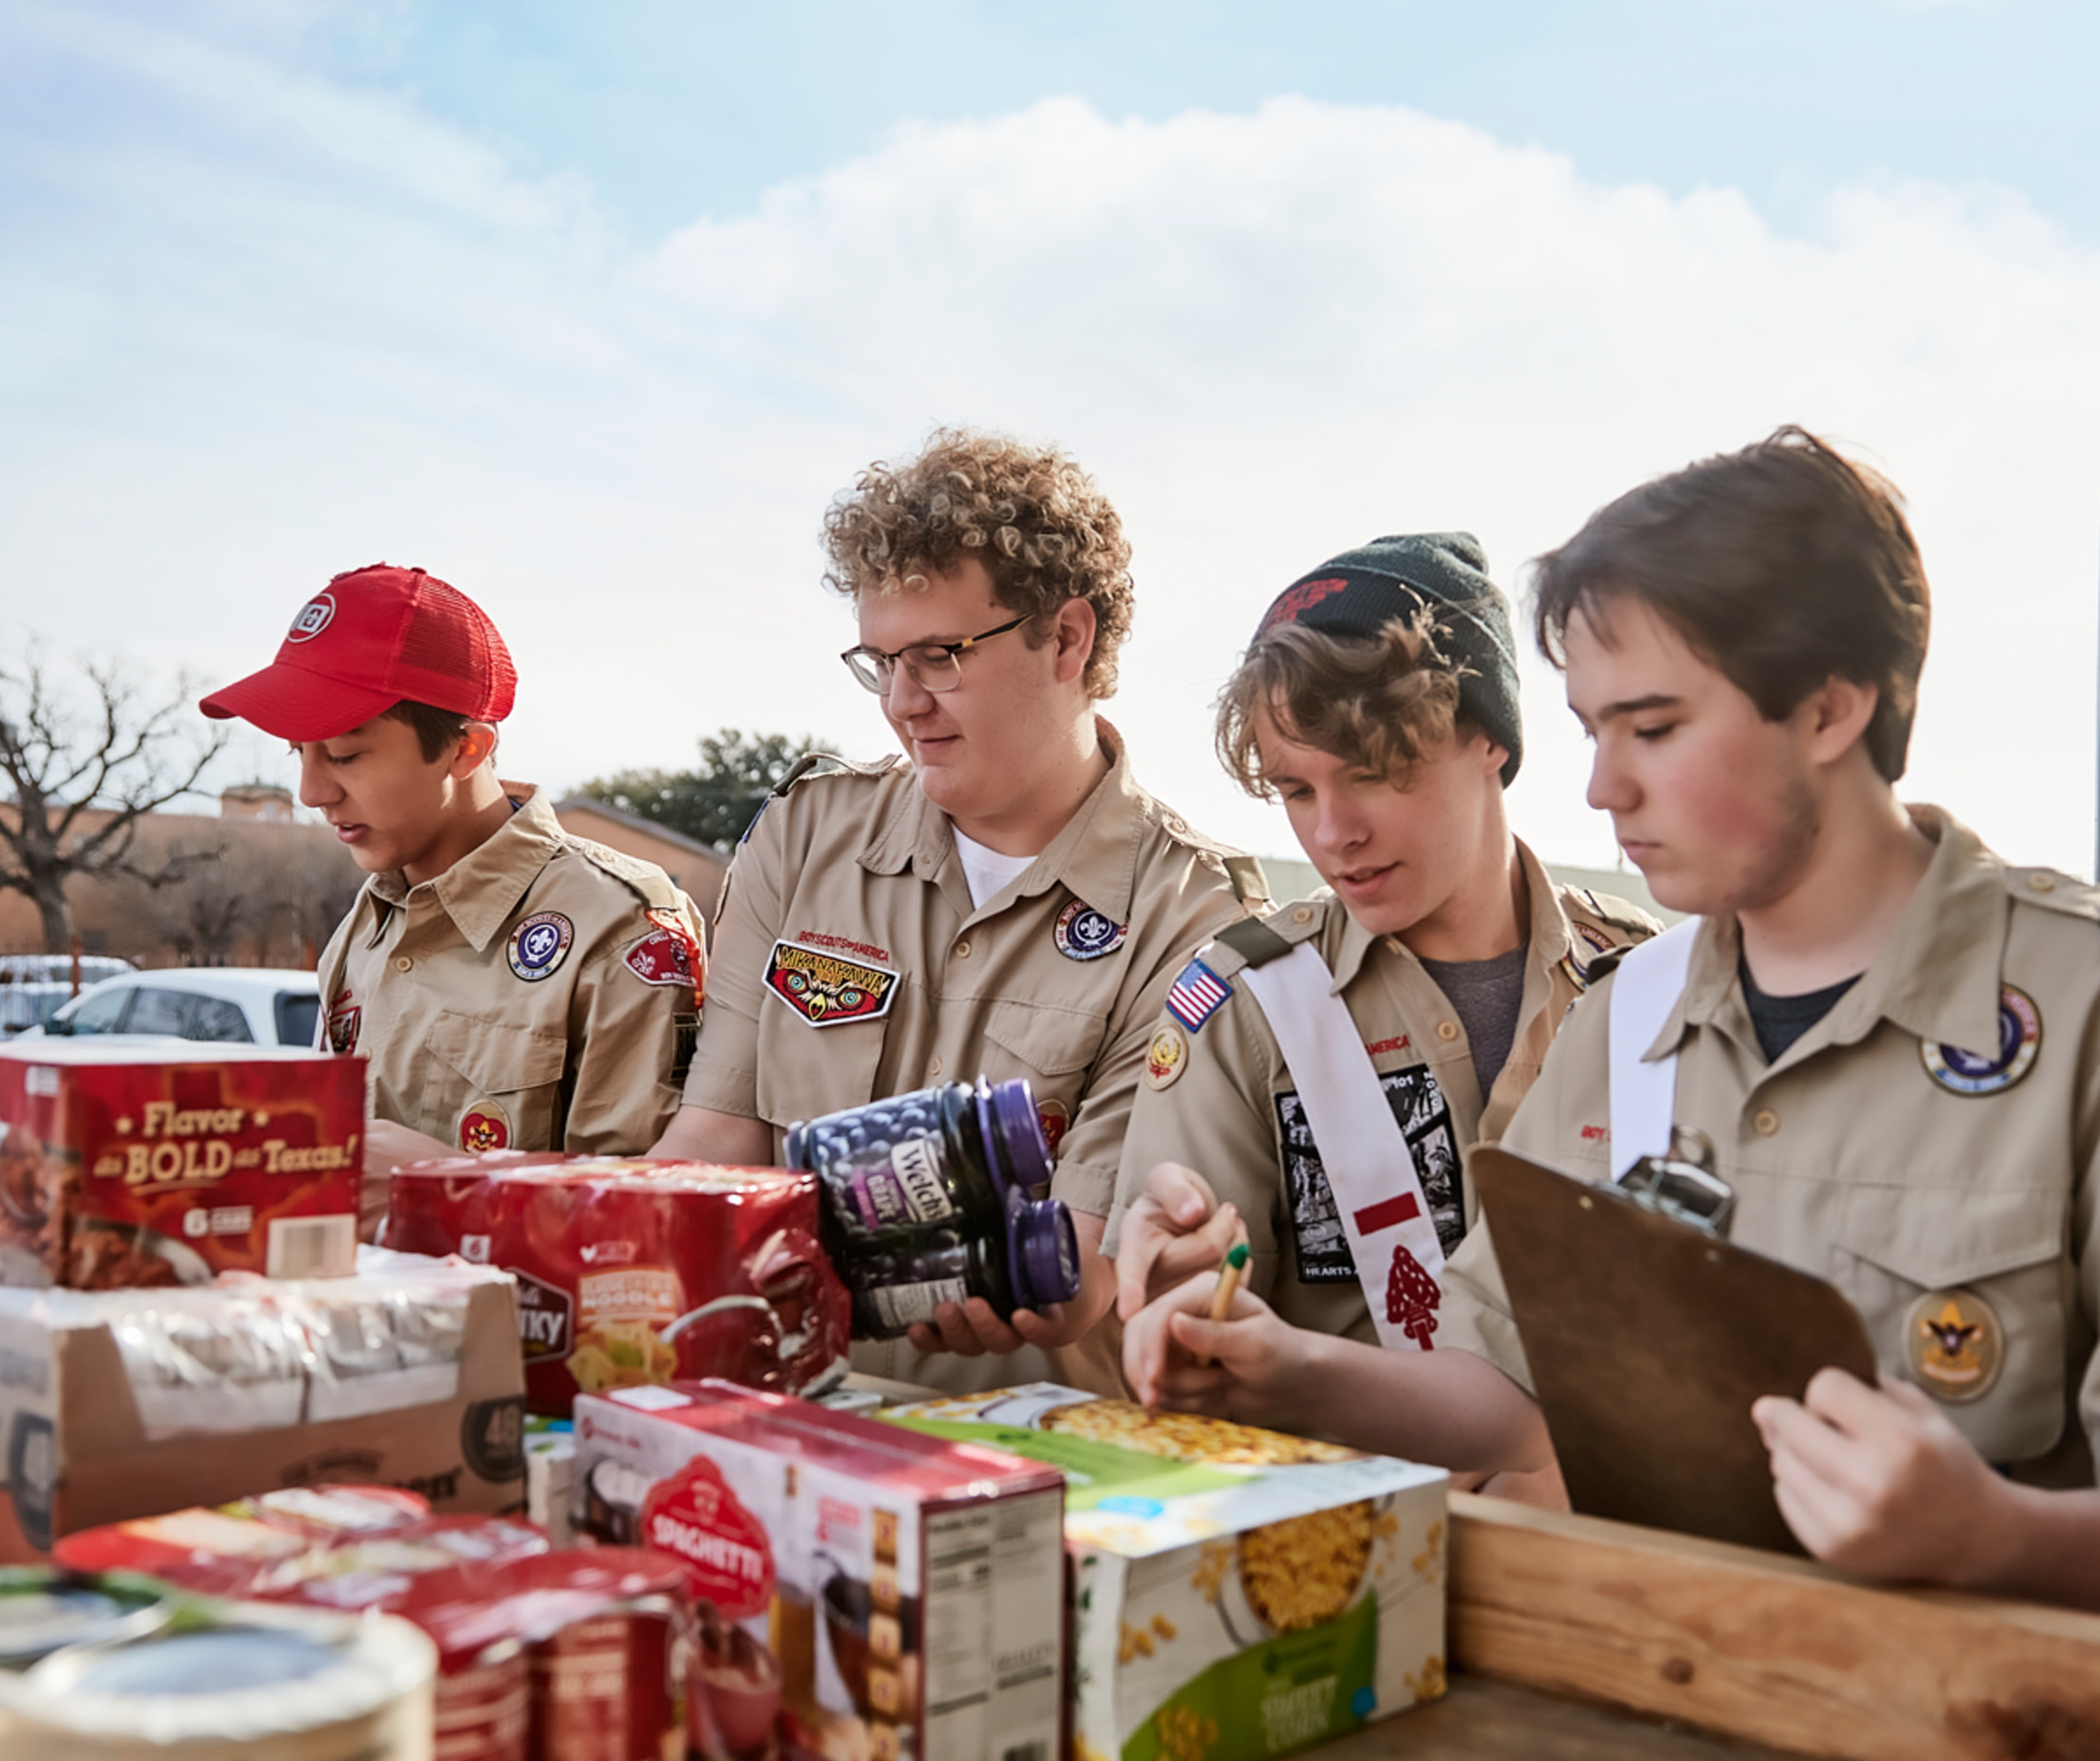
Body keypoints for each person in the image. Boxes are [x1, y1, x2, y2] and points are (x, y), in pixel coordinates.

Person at [1125, 428, 2100, 1611]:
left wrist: (1991, 1534)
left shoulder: (2075, 1008)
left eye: (1653, 728)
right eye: (1592, 731)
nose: (1601, 789)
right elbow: (1500, 1381)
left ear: (1830, 707)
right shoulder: (1626, 1014)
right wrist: (1283, 1370)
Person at [651, 427, 1263, 1396]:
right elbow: (716, 1143)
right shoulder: (803, 837)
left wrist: (1027, 1278)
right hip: (783, 1417)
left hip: (1032, 1467)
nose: (902, 702)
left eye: (938, 656)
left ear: (1067, 637)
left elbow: (1085, 1265)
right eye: (878, 660)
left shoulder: (1190, 911)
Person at [1108, 534, 1657, 1385]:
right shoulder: (1243, 1006)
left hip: (1596, 1513)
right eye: (1296, 789)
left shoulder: (1648, 983)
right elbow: (1182, 1332)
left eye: (1372, 772)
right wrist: (1174, 1291)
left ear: (1493, 743)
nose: (1333, 833)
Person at [199, 563, 705, 1224]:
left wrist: (441, 1186)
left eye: (346, 756)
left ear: (467, 749)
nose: (312, 792)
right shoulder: (367, 921)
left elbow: (663, 1209)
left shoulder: (621, 923)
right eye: (300, 753)